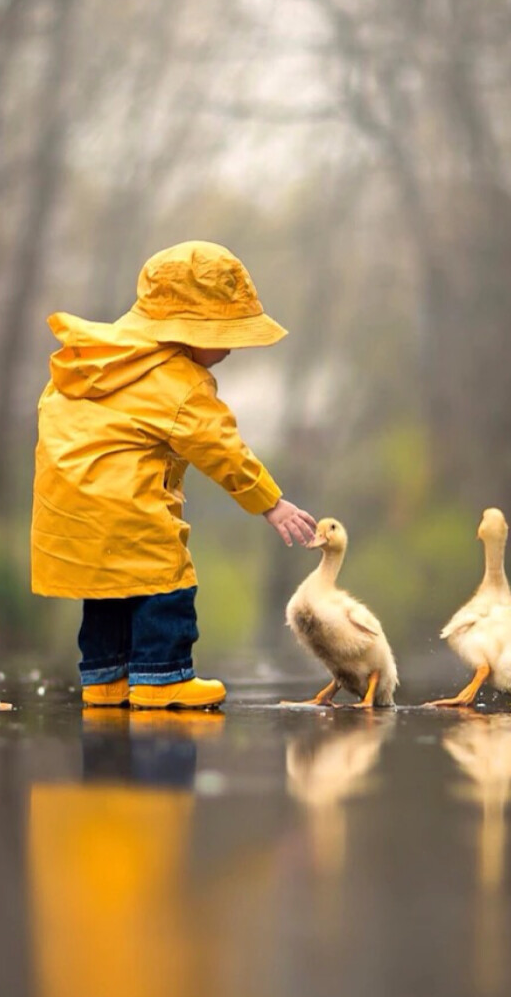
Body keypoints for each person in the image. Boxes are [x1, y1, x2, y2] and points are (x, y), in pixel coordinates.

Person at [31, 239, 316, 710]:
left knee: (106, 589)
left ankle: (105, 679)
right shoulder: (177, 382)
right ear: (190, 331)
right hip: (129, 511)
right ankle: (164, 678)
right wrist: (270, 501)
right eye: (226, 334)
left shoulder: (86, 360)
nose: (231, 349)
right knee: (167, 579)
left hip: (69, 515)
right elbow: (220, 447)